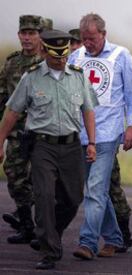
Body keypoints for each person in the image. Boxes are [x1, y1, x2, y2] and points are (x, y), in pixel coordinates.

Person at [0, 29, 97, 270]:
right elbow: (12, 111)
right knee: (43, 198)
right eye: (55, 57)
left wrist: (92, 143)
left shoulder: (78, 76)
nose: (60, 61)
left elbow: (88, 110)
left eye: (64, 56)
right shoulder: (31, 78)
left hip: (72, 146)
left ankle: (51, 233)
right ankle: (49, 250)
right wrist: (0, 139)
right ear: (44, 51)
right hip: (42, 146)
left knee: (73, 198)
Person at [69, 13, 132, 260]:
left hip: (108, 134)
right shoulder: (75, 57)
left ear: (103, 34)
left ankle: (87, 242)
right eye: (84, 38)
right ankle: (113, 238)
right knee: (94, 190)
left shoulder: (121, 56)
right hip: (79, 134)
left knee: (96, 189)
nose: (88, 43)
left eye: (92, 38)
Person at [0, 15, 44, 244]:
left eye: (32, 33)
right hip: (17, 133)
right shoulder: (11, 63)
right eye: (23, 33)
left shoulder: (47, 61)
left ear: (40, 35)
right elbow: (1, 99)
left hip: (42, 133)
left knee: (41, 180)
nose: (27, 38)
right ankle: (26, 225)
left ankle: (44, 229)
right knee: (15, 177)